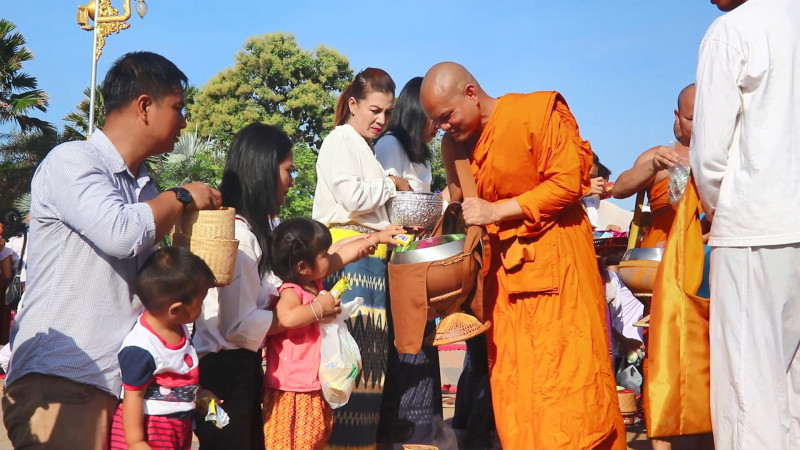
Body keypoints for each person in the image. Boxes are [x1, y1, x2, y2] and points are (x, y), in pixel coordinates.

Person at [2, 51, 221, 450]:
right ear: (144, 107)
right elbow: (120, 232)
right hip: (64, 381)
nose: (184, 120)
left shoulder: (146, 190)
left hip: (114, 387)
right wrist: (183, 195)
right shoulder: (74, 160)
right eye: (177, 107)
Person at [420, 62, 625, 449]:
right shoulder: (455, 146)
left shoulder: (535, 113)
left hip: (559, 272)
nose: (444, 127)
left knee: (569, 385)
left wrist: (498, 210)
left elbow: (568, 183)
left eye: (446, 117)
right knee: (517, 389)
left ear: (470, 93)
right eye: (437, 122)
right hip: (502, 283)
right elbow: (461, 202)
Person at [691, 0, 800, 448]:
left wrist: (720, 208)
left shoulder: (732, 30)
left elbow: (709, 151)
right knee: (790, 388)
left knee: (747, 390)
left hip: (756, 224)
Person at [192, 123, 339, 450]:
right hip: (224, 374)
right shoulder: (241, 238)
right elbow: (237, 327)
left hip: (237, 370)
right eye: (288, 170)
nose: (291, 181)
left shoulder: (254, 232)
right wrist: (303, 314)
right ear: (264, 172)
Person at [312, 67, 410, 449]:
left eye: (387, 112)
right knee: (347, 361)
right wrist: (389, 184)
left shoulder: (362, 147)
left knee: (368, 364)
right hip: (347, 257)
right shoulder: (340, 140)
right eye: (374, 110)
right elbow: (353, 199)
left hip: (372, 257)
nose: (381, 120)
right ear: (353, 104)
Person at [264, 218, 399, 449]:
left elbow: (344, 252)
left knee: (316, 438)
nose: (330, 255)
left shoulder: (313, 281)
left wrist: (376, 238)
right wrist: (319, 308)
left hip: (313, 385)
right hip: (292, 389)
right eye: (324, 254)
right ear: (302, 267)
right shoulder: (291, 291)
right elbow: (286, 317)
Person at [373, 76, 443, 445]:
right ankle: (400, 430)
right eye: (434, 118)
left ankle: (423, 428)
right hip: (396, 257)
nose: (439, 126)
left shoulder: (423, 154)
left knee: (423, 340)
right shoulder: (389, 145)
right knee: (405, 340)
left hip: (419, 257)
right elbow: (391, 199)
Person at [109, 247, 216, 450]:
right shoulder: (142, 347)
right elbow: (133, 397)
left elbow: (179, 375)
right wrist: (136, 442)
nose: (202, 307)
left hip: (176, 428)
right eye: (200, 301)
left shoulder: (180, 328)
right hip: (151, 431)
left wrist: (199, 393)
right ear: (176, 309)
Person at [612, 84, 695, 247]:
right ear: (678, 116)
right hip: (664, 255)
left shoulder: (734, 155)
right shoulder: (661, 155)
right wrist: (654, 165)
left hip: (717, 252)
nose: (701, 123)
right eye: (691, 119)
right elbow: (619, 190)